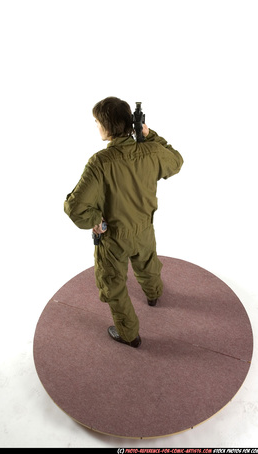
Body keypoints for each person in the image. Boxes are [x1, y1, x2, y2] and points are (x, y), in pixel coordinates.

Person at [64, 97, 183, 348]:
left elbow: (75, 208)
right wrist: (150, 136)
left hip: (114, 237)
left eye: (97, 122)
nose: (96, 126)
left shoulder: (100, 163)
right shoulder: (150, 150)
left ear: (107, 127)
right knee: (148, 264)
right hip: (145, 229)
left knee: (114, 286)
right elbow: (176, 161)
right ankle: (154, 295)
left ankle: (129, 334)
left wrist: (96, 220)